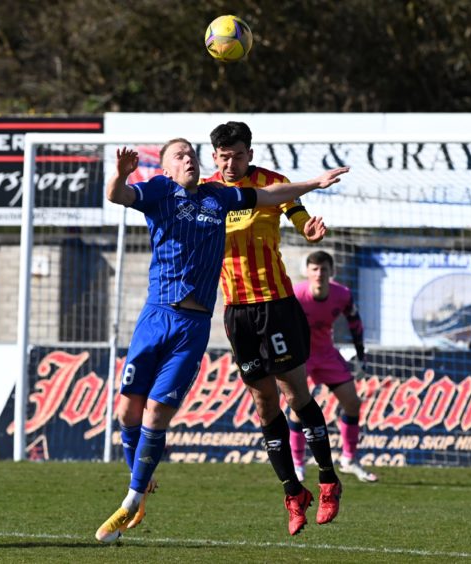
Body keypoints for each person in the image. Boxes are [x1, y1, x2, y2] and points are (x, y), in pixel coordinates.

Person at [95, 140, 349, 543]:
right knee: (127, 410)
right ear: (166, 168)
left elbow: (268, 195)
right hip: (157, 314)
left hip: (197, 323)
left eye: (191, 153)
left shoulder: (218, 197)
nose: (188, 158)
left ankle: (132, 499)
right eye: (180, 155)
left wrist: (313, 183)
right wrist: (122, 173)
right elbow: (117, 195)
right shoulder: (160, 191)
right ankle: (140, 479)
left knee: (157, 413)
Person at [205, 121, 342, 536]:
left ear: (250, 153)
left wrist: (308, 229)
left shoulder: (271, 183)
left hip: (276, 307)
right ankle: (293, 493)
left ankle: (329, 480)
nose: (231, 163)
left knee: (295, 393)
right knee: (264, 405)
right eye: (224, 156)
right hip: (237, 313)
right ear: (214, 157)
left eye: (238, 155)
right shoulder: (207, 192)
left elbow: (296, 211)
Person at [290, 250, 378, 483]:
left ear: (332, 272)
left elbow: (355, 323)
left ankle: (348, 459)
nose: (319, 274)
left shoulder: (342, 294)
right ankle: (297, 465)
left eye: (324, 269)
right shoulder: (295, 295)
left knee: (352, 403)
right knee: (298, 409)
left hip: (327, 354)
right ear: (307, 272)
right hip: (301, 356)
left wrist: (360, 356)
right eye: (315, 269)